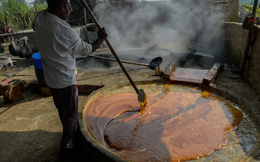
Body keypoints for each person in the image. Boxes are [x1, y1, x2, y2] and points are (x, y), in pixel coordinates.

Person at [34, 0, 107, 155]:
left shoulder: (40, 20)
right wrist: (101, 38)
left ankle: (72, 135)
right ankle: (67, 145)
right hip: (66, 82)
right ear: (60, 6)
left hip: (51, 80)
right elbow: (88, 49)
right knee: (71, 115)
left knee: (63, 111)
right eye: (67, 5)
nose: (70, 9)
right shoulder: (64, 31)